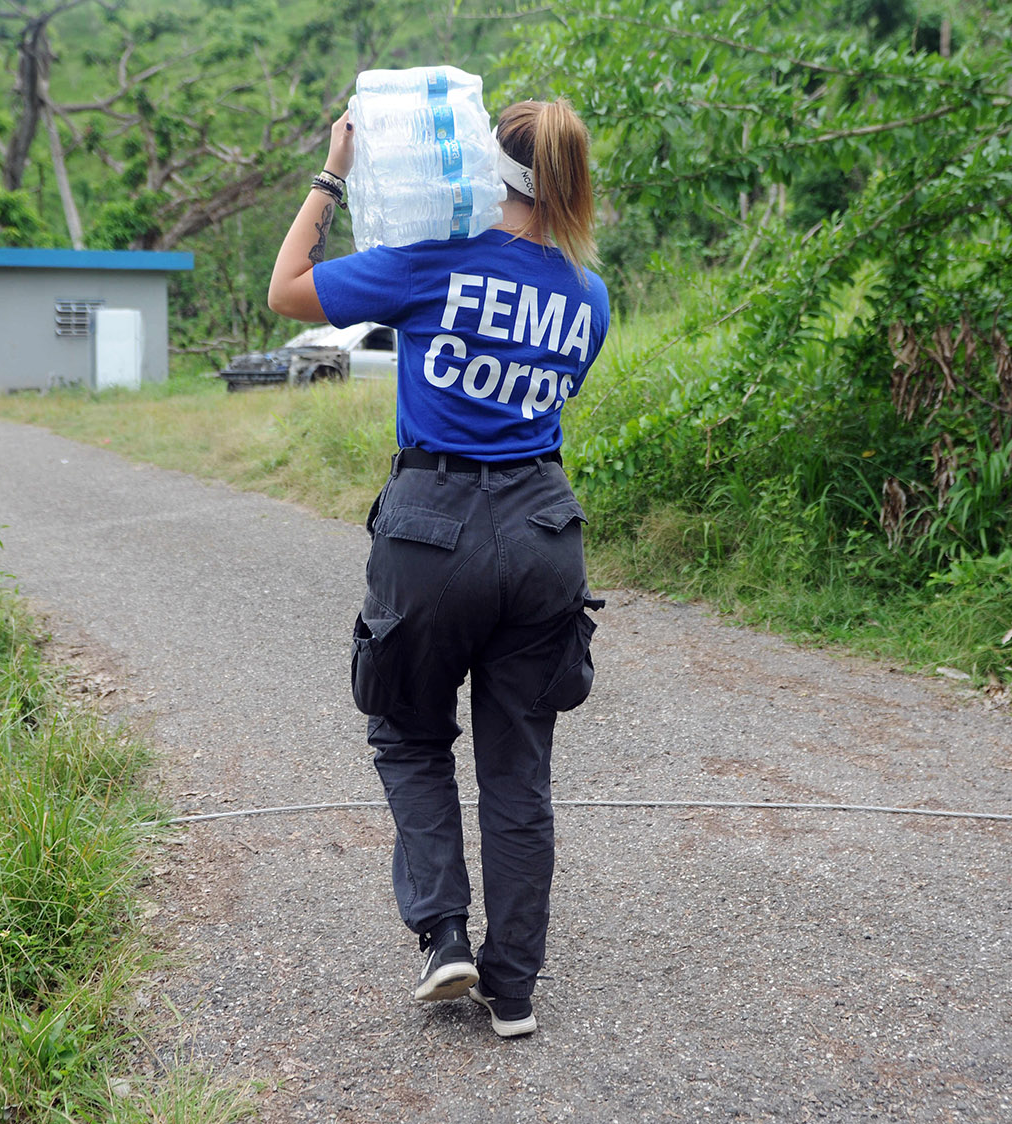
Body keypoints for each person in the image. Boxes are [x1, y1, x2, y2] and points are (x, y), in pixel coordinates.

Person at [267, 98, 610, 1039]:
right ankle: (515, 990)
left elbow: (287, 290)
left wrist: (333, 171)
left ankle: (445, 937)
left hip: (431, 529)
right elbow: (543, 396)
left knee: (408, 732)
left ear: (481, 166)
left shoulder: (433, 260)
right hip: (546, 529)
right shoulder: (590, 294)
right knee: (518, 764)